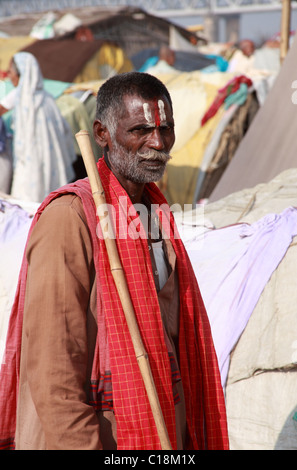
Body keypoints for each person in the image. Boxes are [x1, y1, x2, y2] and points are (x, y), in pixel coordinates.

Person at [0, 72, 229, 450]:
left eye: (165, 129)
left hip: (160, 430)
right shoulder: (70, 217)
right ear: (102, 134)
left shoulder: (156, 212)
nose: (158, 143)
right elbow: (52, 369)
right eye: (141, 129)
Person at [0, 52, 76, 202]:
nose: (9, 76)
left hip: (30, 163)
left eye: (11, 72)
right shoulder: (47, 98)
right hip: (50, 164)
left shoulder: (22, 97)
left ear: (22, 74)